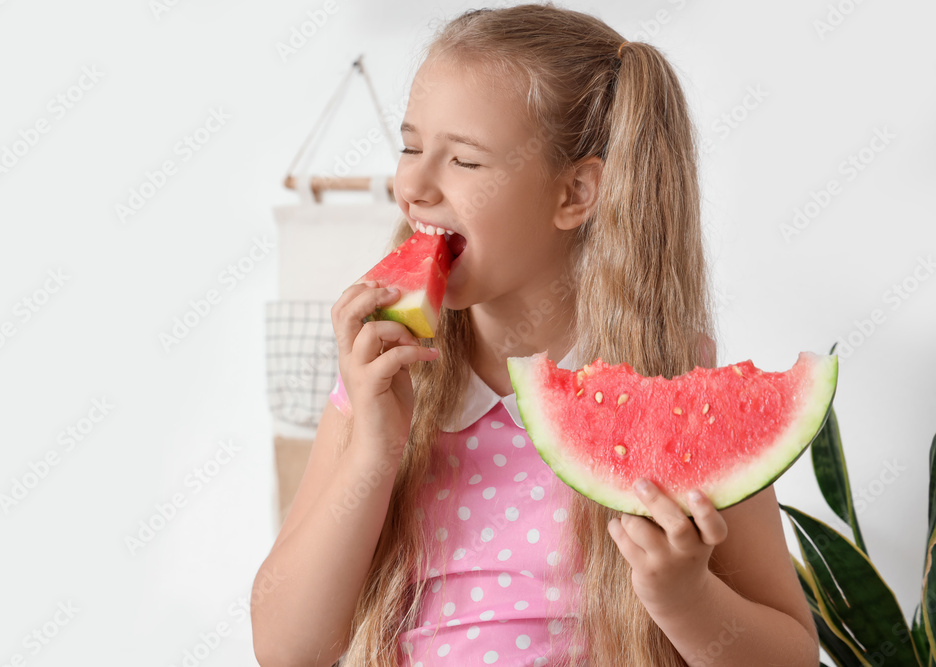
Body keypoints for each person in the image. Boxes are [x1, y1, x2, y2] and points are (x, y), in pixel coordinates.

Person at [252, 4, 818, 666]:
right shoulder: (383, 375)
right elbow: (287, 649)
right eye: (410, 147)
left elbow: (792, 655)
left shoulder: (671, 384)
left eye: (463, 160)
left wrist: (686, 598)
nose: (412, 183)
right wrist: (373, 451)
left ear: (575, 192)